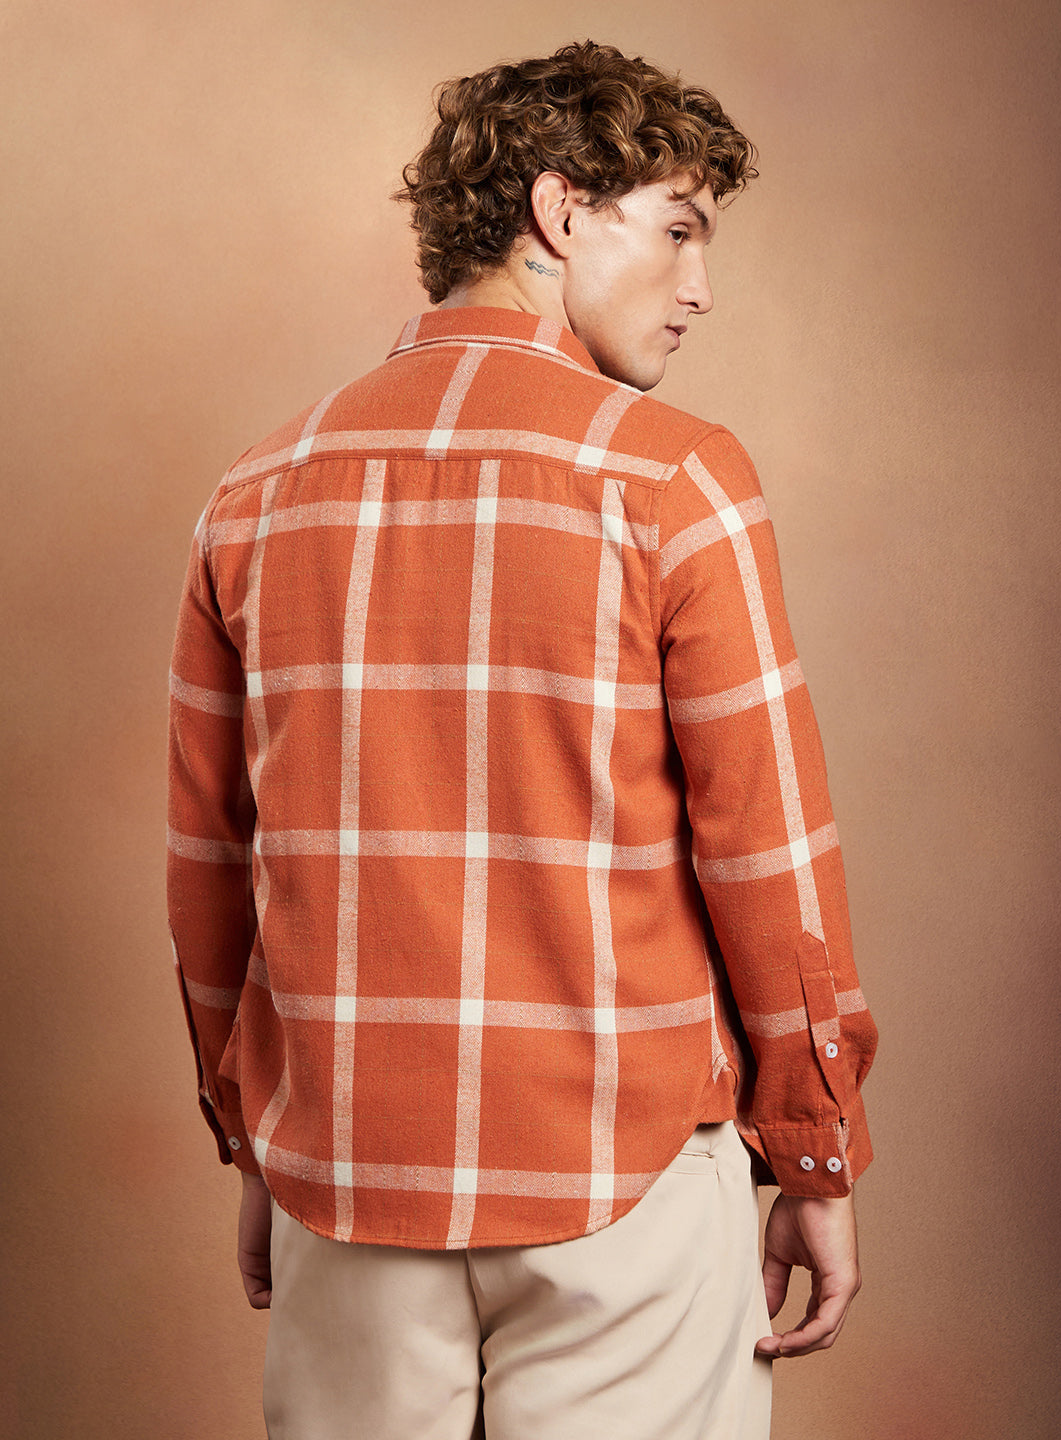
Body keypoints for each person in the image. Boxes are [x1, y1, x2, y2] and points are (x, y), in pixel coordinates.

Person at [167, 39, 877, 1439]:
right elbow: (769, 858)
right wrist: (815, 1152)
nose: (700, 286)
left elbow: (214, 873)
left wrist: (259, 1134)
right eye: (678, 229)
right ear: (559, 212)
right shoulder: (678, 479)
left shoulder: (255, 495)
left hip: (347, 1183)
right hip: (628, 1186)